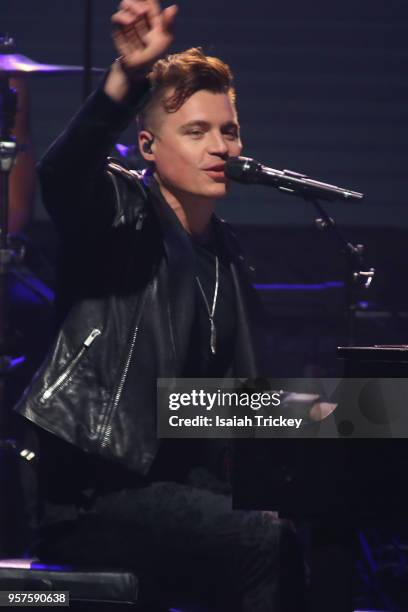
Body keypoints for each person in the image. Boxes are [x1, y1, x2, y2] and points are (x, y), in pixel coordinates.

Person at [15, 1, 308, 610]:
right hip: (99, 495)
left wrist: (359, 416)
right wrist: (124, 79)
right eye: (196, 132)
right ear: (147, 146)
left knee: (314, 526)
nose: (219, 146)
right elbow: (63, 173)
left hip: (188, 495)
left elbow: (223, 406)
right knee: (263, 540)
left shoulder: (230, 259)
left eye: (227, 130)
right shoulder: (118, 215)